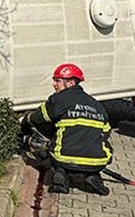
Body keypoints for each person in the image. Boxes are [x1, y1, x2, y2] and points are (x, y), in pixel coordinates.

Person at [19, 63, 112, 195]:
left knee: (51, 128)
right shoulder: (97, 105)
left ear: (71, 83)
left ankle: (61, 173)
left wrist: (24, 122)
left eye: (57, 80)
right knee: (101, 142)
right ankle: (92, 176)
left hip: (64, 159)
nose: (54, 84)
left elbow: (37, 118)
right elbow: (106, 132)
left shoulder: (59, 100)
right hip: (97, 162)